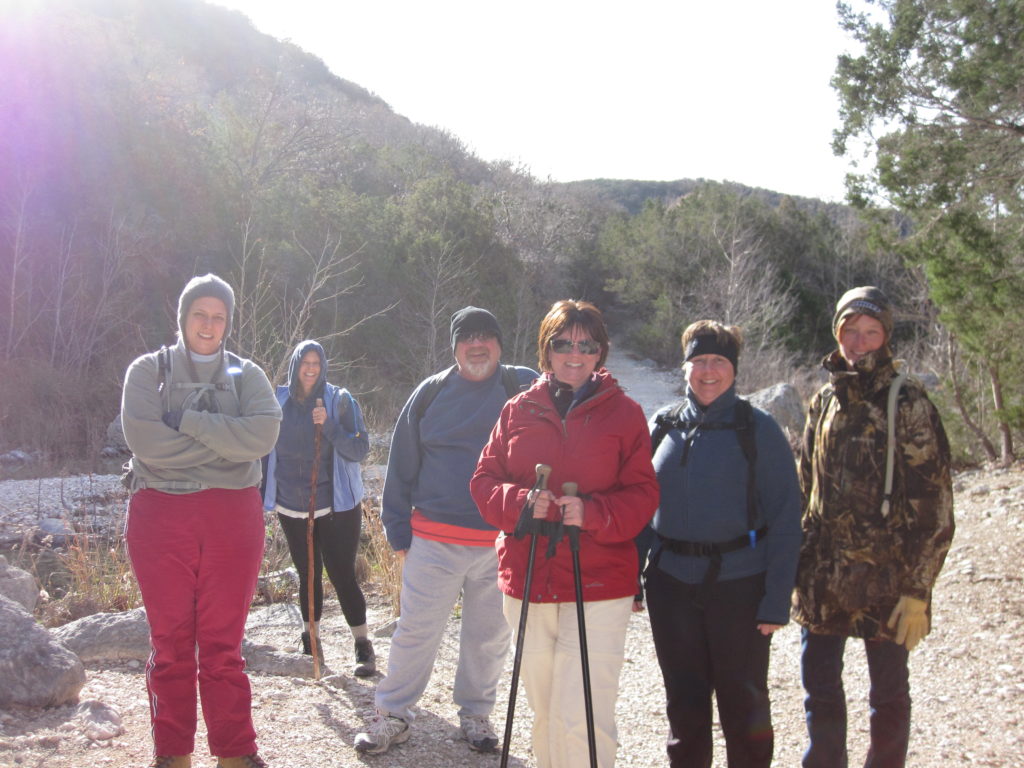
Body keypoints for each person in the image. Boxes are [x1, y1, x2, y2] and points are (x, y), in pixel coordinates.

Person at [471, 299, 659, 768]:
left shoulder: (626, 414)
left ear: (600, 353)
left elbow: (642, 496)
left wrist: (591, 512)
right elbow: (482, 482)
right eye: (562, 343)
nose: (574, 353)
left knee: (583, 714)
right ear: (546, 350)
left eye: (586, 344)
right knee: (544, 711)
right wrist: (520, 503)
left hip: (597, 584)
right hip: (529, 579)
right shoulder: (517, 410)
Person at [353, 306, 537, 755]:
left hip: (501, 541)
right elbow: (400, 465)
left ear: (500, 343)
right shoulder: (431, 393)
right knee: (415, 630)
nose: (477, 344)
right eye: (467, 337)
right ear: (454, 347)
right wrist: (397, 531)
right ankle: (393, 713)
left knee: (489, 636)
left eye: (486, 336)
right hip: (433, 539)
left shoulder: (524, 386)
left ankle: (476, 714)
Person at [121, 274, 282, 768]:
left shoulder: (247, 374)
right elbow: (145, 443)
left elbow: (263, 436)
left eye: (219, 316)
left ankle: (235, 752)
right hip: (159, 515)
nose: (209, 324)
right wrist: (225, 448)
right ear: (183, 317)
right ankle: (173, 753)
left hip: (233, 519)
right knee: (169, 642)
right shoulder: (148, 372)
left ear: (227, 322)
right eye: (200, 314)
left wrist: (189, 422)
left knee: (223, 643)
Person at [793, 286, 955, 768]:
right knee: (819, 693)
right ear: (836, 333)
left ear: (885, 338)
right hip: (822, 580)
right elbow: (806, 491)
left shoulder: (907, 402)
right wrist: (795, 569)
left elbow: (935, 508)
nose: (859, 342)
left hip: (886, 580)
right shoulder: (822, 402)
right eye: (850, 331)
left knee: (888, 696)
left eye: (871, 332)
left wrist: (918, 589)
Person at [636, 320, 802, 768]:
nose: (708, 371)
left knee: (743, 703)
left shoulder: (759, 430)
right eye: (698, 361)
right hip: (670, 585)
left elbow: (788, 518)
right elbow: (643, 510)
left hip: (740, 585)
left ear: (734, 369)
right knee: (683, 703)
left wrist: (775, 601)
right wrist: (633, 574)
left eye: (719, 361)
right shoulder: (662, 426)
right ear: (684, 366)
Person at [261, 339, 375, 676]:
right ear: (295, 365)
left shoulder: (339, 400)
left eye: (316, 362)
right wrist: (258, 493)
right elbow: (264, 450)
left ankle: (362, 644)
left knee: (342, 575)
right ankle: (311, 642)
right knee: (307, 575)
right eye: (304, 362)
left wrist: (330, 427)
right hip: (292, 505)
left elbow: (360, 449)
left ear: (323, 366)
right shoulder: (277, 401)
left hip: (337, 505)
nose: (310, 368)